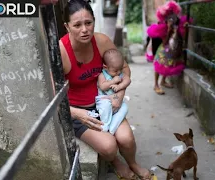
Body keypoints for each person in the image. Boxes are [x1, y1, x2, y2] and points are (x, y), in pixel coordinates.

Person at [59, 0, 155, 179]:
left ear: (94, 21)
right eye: (77, 25)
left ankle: (133, 163)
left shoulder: (101, 41)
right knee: (109, 147)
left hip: (106, 102)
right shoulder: (62, 52)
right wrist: (76, 113)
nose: (85, 29)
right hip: (77, 111)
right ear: (67, 26)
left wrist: (119, 94)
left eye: (88, 23)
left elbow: (124, 69)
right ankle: (116, 162)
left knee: (126, 139)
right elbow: (52, 97)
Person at [147, 1, 192, 95]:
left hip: (172, 50)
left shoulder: (177, 25)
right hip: (163, 49)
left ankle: (163, 81)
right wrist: (168, 30)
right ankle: (156, 85)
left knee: (168, 65)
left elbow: (180, 38)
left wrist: (182, 28)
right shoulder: (162, 27)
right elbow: (164, 42)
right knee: (159, 66)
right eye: (169, 20)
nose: (171, 21)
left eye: (173, 19)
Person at [96, 49, 130, 135]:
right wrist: (112, 81)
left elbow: (128, 80)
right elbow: (103, 87)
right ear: (105, 67)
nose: (118, 72)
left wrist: (119, 86)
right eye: (115, 71)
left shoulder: (120, 74)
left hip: (117, 101)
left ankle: (112, 128)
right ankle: (105, 126)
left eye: (120, 69)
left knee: (125, 107)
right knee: (105, 107)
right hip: (103, 99)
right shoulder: (102, 75)